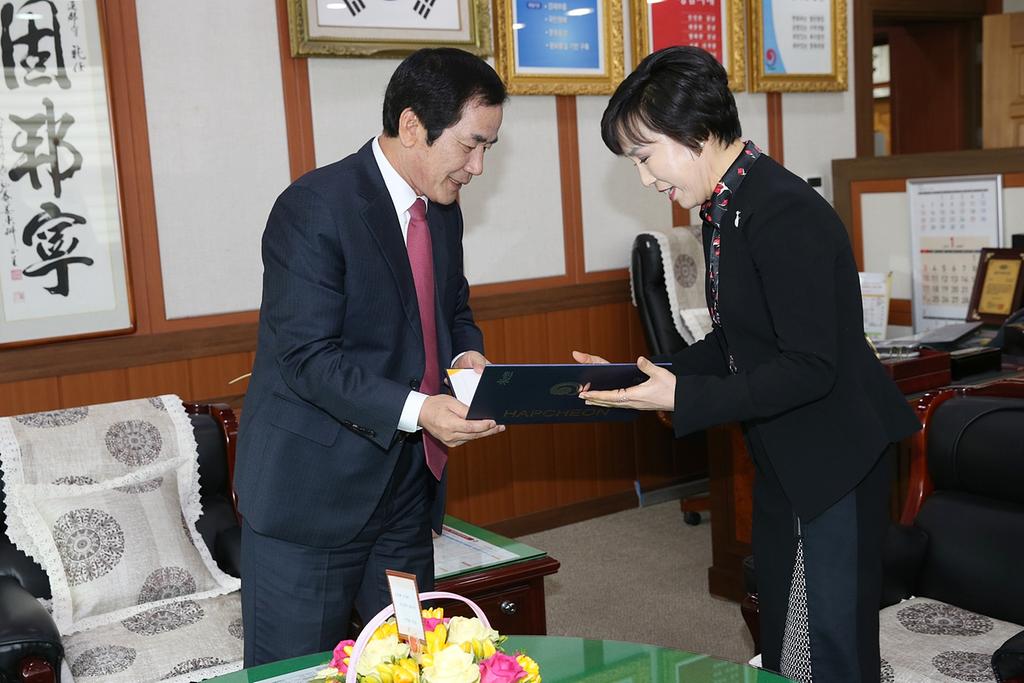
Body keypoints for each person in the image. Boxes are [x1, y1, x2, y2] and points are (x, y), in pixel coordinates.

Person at [574, 46, 920, 683]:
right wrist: (645, 375)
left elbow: (809, 366)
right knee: (792, 634)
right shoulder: (727, 206)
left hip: (835, 454)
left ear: (696, 133)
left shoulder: (782, 211)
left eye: (645, 156)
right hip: (787, 449)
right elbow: (739, 342)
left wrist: (685, 399)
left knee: (833, 641)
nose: (646, 179)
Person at [234, 47, 508, 667]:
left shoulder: (442, 211)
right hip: (311, 497)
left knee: (412, 663)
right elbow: (306, 357)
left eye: (488, 147)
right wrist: (422, 411)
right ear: (412, 126)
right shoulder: (315, 208)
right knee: (296, 673)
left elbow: (452, 310)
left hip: (405, 490)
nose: (479, 166)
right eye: (470, 145)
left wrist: (468, 361)